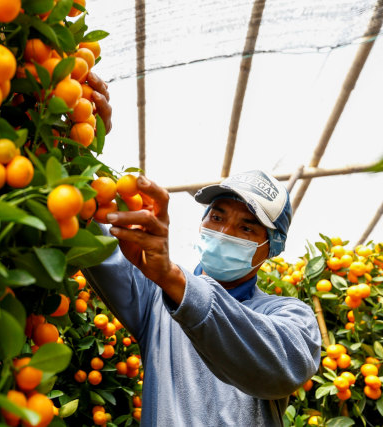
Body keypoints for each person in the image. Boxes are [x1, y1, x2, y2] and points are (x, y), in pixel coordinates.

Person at [84, 77, 321, 426]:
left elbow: (279, 367)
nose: (224, 232)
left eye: (246, 227)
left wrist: (174, 281)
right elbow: (88, 229)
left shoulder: (290, 316)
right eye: (217, 216)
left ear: (271, 248)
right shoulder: (156, 296)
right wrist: (82, 141)